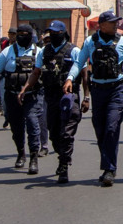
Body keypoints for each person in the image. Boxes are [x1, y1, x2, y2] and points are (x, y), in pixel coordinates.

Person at [64, 11, 123, 187]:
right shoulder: (90, 42)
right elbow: (79, 63)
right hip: (98, 90)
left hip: (117, 89)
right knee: (100, 131)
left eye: (117, 22)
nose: (116, 25)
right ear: (101, 25)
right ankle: (109, 165)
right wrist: (70, 78)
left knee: (111, 127)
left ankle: (109, 169)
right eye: (112, 22)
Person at [18, 21, 83, 183]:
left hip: (69, 96)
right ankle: (62, 157)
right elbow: (36, 72)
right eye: (50, 33)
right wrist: (25, 88)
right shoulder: (44, 52)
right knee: (53, 132)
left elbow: (83, 71)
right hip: (50, 95)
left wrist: (87, 97)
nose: (53, 35)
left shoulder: (73, 50)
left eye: (56, 33)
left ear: (63, 33)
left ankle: (64, 165)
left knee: (66, 132)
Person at [0, 24, 43, 175]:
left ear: (31, 35)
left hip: (32, 95)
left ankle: (33, 158)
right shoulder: (7, 52)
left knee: (33, 125)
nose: (21, 36)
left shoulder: (39, 52)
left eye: (25, 34)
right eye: (19, 33)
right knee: (16, 128)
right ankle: (21, 153)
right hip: (12, 95)